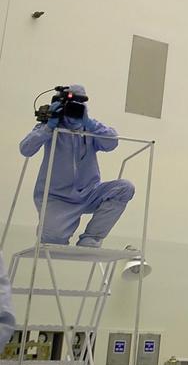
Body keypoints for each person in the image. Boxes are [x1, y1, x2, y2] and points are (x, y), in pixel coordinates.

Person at [18, 85, 134, 247]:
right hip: (57, 197)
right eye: (71, 105)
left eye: (79, 105)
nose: (74, 109)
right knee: (52, 242)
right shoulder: (50, 127)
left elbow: (112, 143)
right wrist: (48, 127)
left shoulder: (90, 128)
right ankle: (57, 233)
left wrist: (90, 123)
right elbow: (26, 149)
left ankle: (91, 238)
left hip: (89, 192)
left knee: (124, 188)